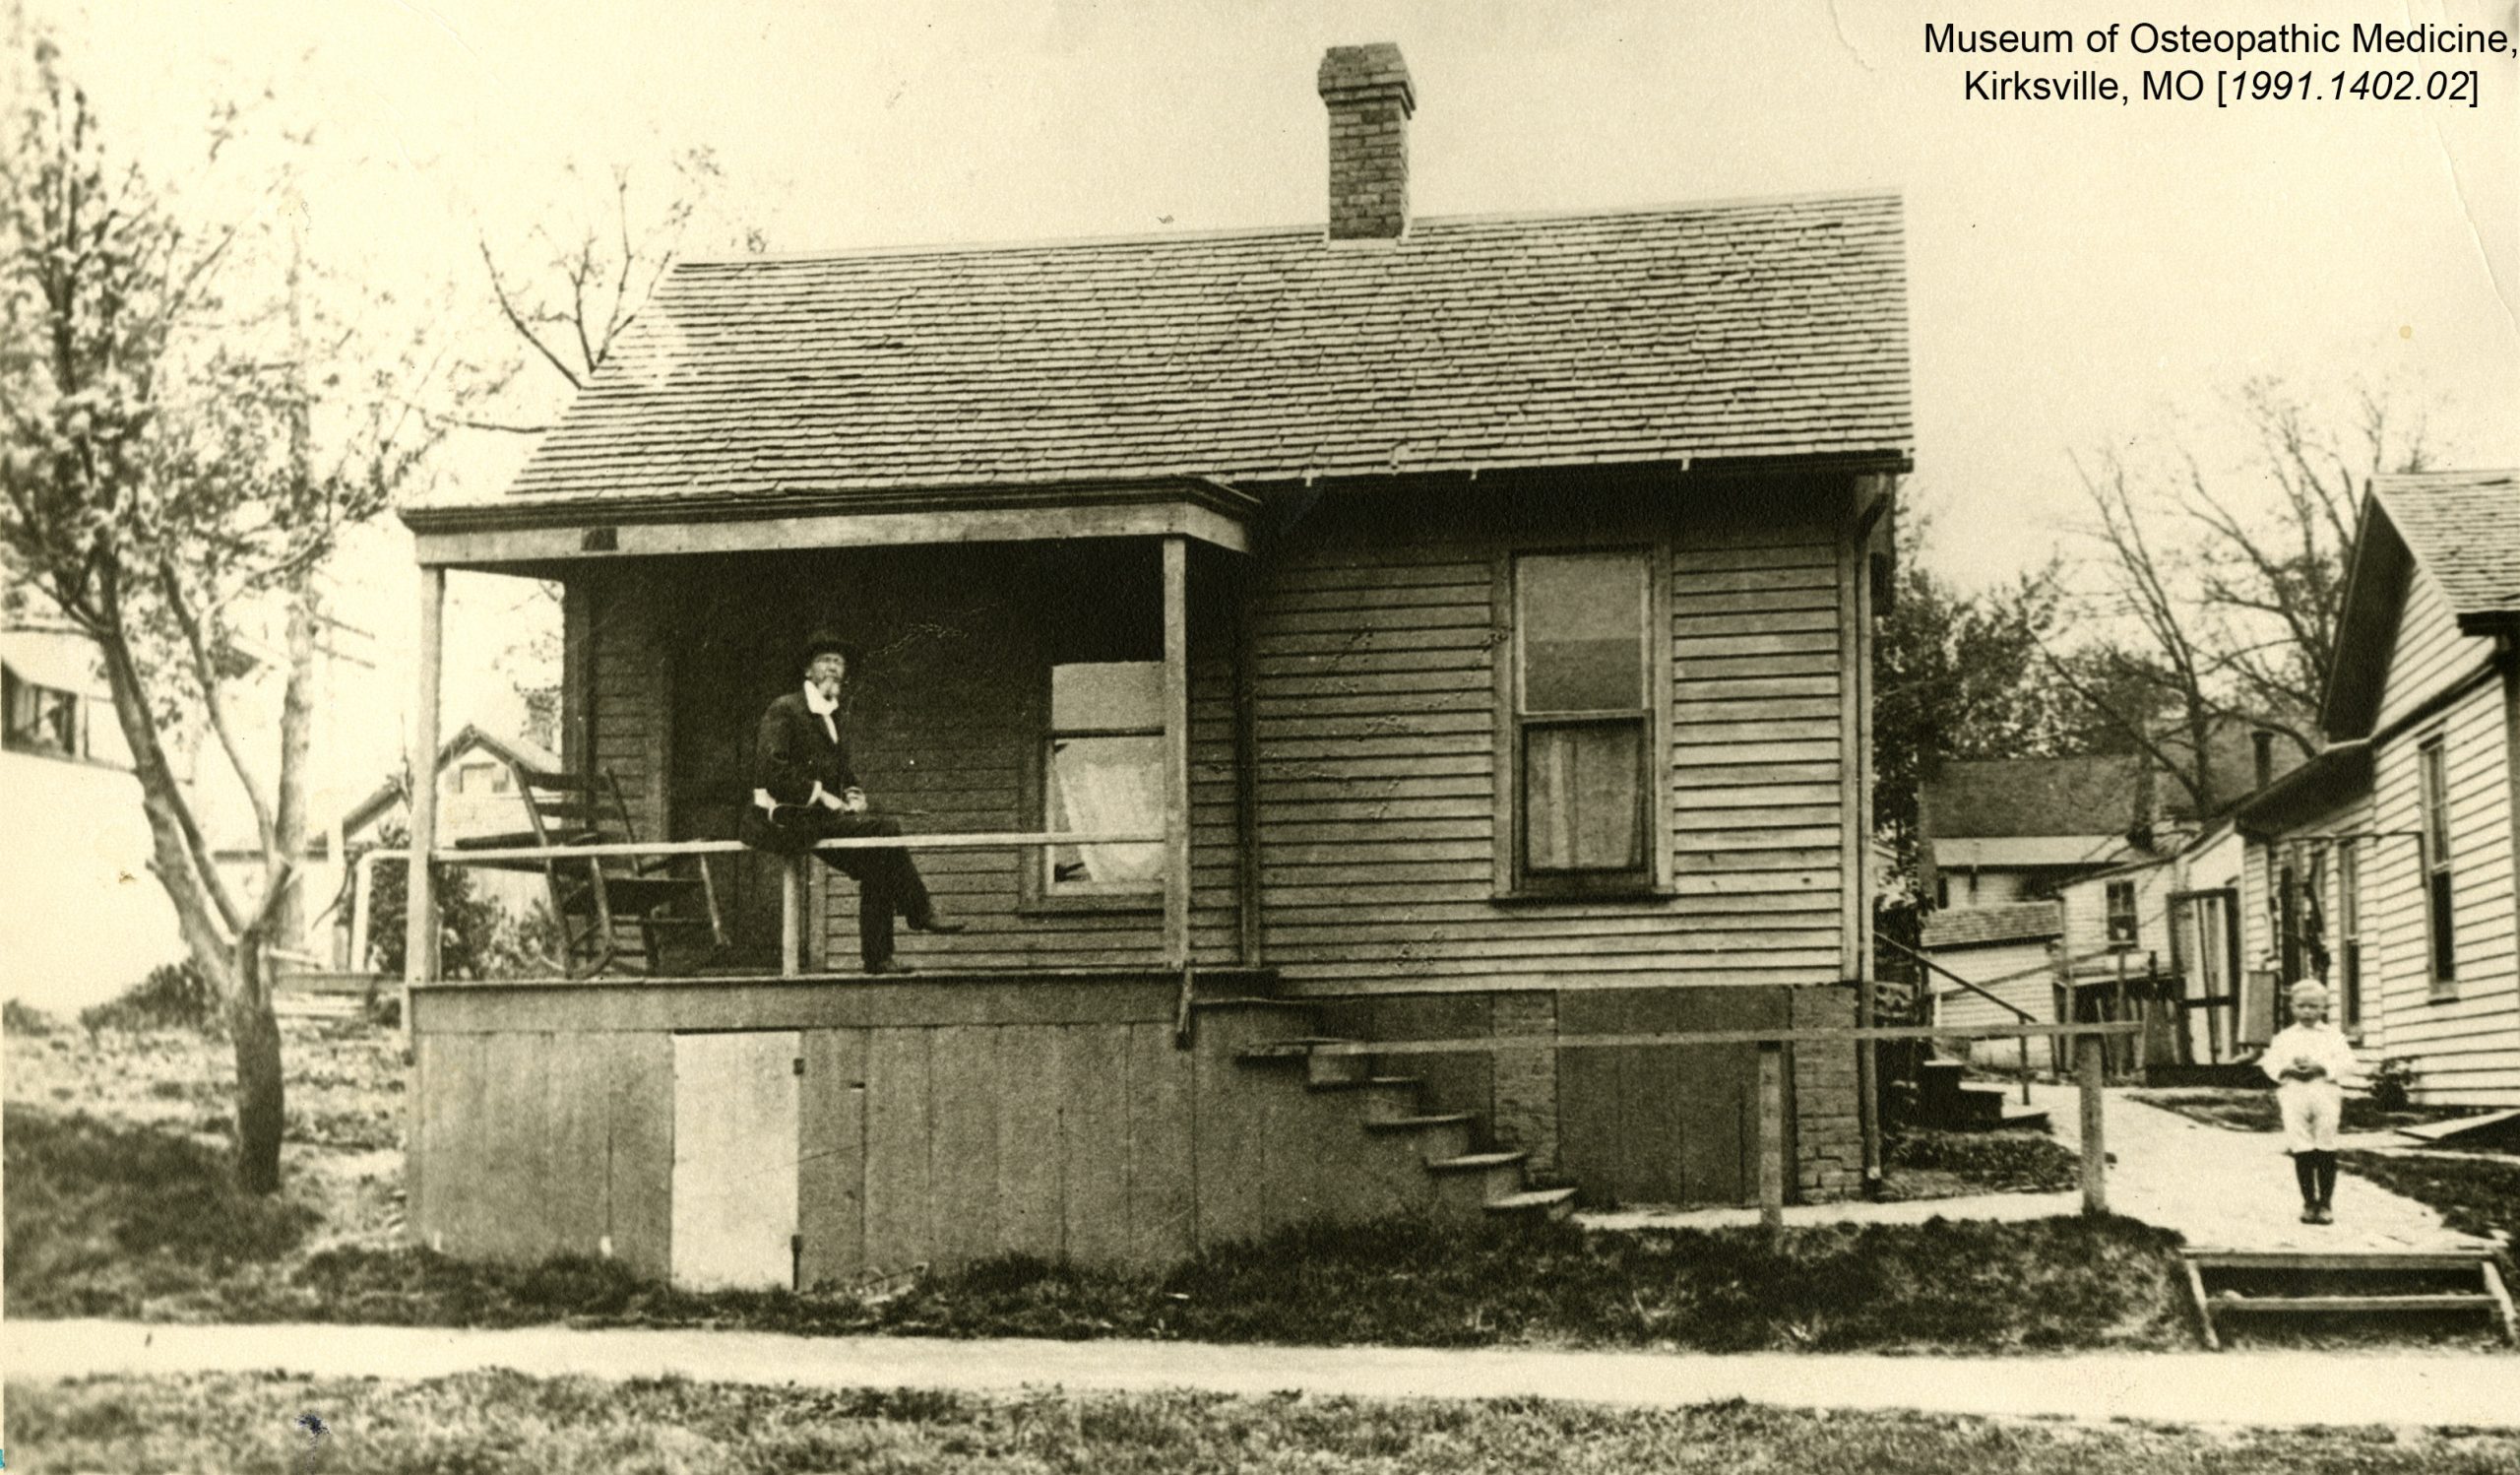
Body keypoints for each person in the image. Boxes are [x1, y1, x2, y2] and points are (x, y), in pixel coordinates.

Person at [738, 630, 962, 973]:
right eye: (825, 661)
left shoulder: (831, 716)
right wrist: (823, 796)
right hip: (783, 818)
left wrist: (854, 794)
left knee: (879, 860)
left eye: (839, 663)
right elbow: (773, 772)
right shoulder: (786, 709)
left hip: (814, 818)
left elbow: (841, 773)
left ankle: (879, 958)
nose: (833, 668)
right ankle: (919, 911)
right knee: (885, 830)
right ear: (808, 670)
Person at [2259, 979, 2362, 1224]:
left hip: (2324, 1092)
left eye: (2313, 1006)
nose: (2307, 1011)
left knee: (2325, 1144)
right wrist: (2288, 1069)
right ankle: (2309, 1202)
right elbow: (2269, 1063)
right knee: (2301, 1146)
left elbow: (2348, 1063)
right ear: (2292, 1007)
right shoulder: (2284, 1037)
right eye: (2302, 1006)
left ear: (2323, 1008)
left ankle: (2325, 1204)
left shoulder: (2333, 1036)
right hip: (2294, 1093)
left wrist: (2321, 1067)